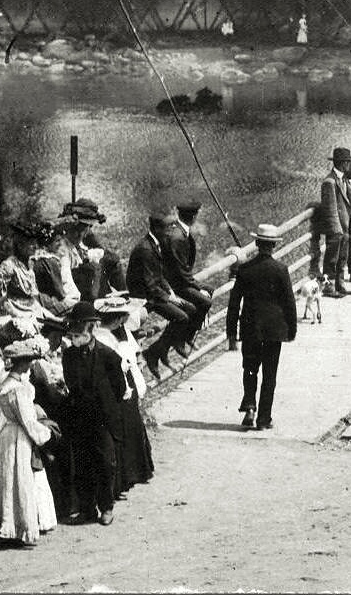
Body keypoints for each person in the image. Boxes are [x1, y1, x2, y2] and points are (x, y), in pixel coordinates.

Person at [0, 338, 59, 545]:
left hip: (4, 434)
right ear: (24, 363)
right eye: (28, 362)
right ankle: (18, 527)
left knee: (1, 477)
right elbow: (28, 421)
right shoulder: (20, 389)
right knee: (19, 477)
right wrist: (45, 433)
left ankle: (0, 524)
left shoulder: (4, 384)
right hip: (18, 436)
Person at [226, 223, 298, 431]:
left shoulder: (244, 269)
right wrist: (292, 329)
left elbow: (234, 302)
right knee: (269, 374)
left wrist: (231, 331)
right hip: (274, 330)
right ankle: (264, 419)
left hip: (250, 328)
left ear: (257, 243)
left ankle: (249, 406)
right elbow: (289, 303)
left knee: (250, 369)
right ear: (273, 246)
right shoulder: (281, 270)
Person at [61, 303, 126, 526]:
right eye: (72, 335)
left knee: (106, 464)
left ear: (91, 330)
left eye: (79, 335)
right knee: (82, 465)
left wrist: (106, 407)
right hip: (79, 417)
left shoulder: (108, 356)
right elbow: (71, 383)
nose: (75, 339)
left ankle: (106, 507)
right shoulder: (69, 356)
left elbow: (119, 387)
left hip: (102, 419)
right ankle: (87, 509)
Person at [95, 303, 153, 497]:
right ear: (118, 319)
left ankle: (131, 474)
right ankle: (124, 479)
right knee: (122, 432)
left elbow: (134, 356)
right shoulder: (105, 338)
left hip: (124, 384)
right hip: (117, 387)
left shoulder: (118, 334)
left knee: (129, 428)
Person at [128, 212, 195, 379]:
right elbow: (150, 285)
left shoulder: (157, 242)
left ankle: (161, 350)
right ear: (157, 228)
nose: (172, 230)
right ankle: (154, 353)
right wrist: (170, 298)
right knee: (181, 318)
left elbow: (159, 275)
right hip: (144, 296)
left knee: (191, 309)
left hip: (155, 291)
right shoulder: (145, 249)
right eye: (169, 227)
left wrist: (171, 292)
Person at [162, 199, 213, 354]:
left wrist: (197, 286)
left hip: (179, 278)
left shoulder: (180, 229)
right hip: (174, 283)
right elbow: (179, 270)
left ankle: (187, 335)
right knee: (205, 302)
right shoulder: (177, 236)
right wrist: (197, 286)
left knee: (209, 289)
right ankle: (182, 338)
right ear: (194, 216)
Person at [316, 148, 351, 299]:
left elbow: (349, 204)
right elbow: (331, 209)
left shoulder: (343, 179)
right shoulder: (330, 182)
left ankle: (340, 284)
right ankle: (329, 286)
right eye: (348, 162)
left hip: (345, 226)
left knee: (342, 257)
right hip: (336, 228)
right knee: (332, 258)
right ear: (343, 163)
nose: (349, 165)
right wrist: (337, 230)